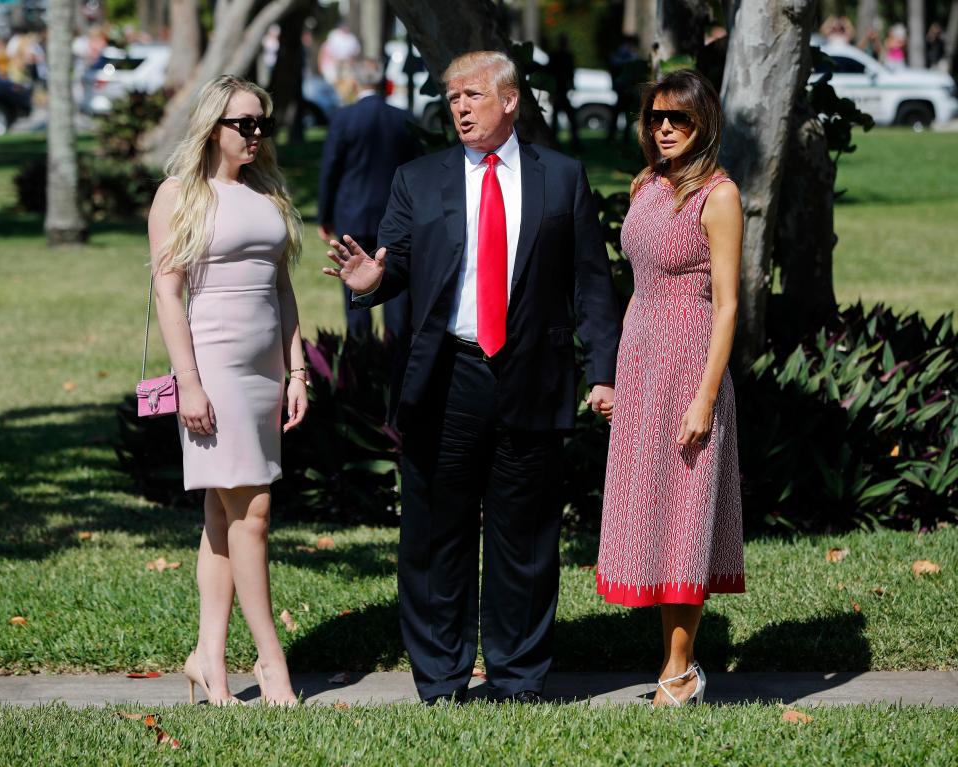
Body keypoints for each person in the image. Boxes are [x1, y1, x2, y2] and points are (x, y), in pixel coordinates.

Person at [323, 51, 619, 704]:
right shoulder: (419, 179)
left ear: (510, 100)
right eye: (451, 96)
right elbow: (390, 262)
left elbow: (589, 282)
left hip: (531, 376)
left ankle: (518, 677)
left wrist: (604, 369)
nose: (458, 106)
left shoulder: (561, 177)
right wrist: (372, 280)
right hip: (445, 377)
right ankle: (442, 677)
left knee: (527, 538)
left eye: (472, 94)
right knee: (434, 535)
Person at [148, 75, 307, 706]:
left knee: (223, 514)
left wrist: (297, 371)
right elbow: (168, 292)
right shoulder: (180, 195)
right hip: (212, 370)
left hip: (266, 368)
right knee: (254, 515)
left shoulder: (266, 192)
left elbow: (283, 288)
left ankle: (206, 659)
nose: (255, 134)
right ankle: (272, 664)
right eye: (243, 123)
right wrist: (187, 381)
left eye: (261, 123)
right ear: (213, 126)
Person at [595, 69, 745, 707]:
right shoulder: (645, 186)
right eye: (655, 117)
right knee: (652, 521)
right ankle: (672, 664)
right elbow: (639, 285)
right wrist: (615, 375)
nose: (663, 128)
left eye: (677, 119)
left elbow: (729, 306)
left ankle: (680, 674)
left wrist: (706, 396)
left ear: (703, 123)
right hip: (641, 365)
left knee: (684, 521)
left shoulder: (719, 195)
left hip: (690, 368)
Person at [318, 57, 418, 342]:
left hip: (353, 213)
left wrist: (325, 216)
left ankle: (362, 350)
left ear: (356, 82)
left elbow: (330, 170)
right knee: (396, 284)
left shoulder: (343, 118)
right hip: (396, 215)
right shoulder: (403, 117)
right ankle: (396, 344)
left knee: (355, 284)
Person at [546, 34, 580, 151]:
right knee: (568, 117)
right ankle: (573, 142)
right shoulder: (565, 56)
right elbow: (570, 73)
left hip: (559, 90)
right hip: (559, 90)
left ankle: (554, 141)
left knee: (557, 118)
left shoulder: (556, 55)